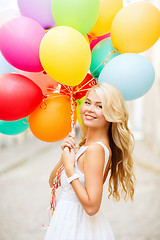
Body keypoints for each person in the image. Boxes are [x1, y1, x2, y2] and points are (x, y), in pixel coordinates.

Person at [44, 82, 135, 240]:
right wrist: (64, 157)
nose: (89, 109)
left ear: (111, 114)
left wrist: (70, 170)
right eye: (87, 102)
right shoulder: (86, 145)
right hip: (66, 221)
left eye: (99, 106)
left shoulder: (95, 150)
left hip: (78, 227)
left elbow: (92, 207)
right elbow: (53, 183)